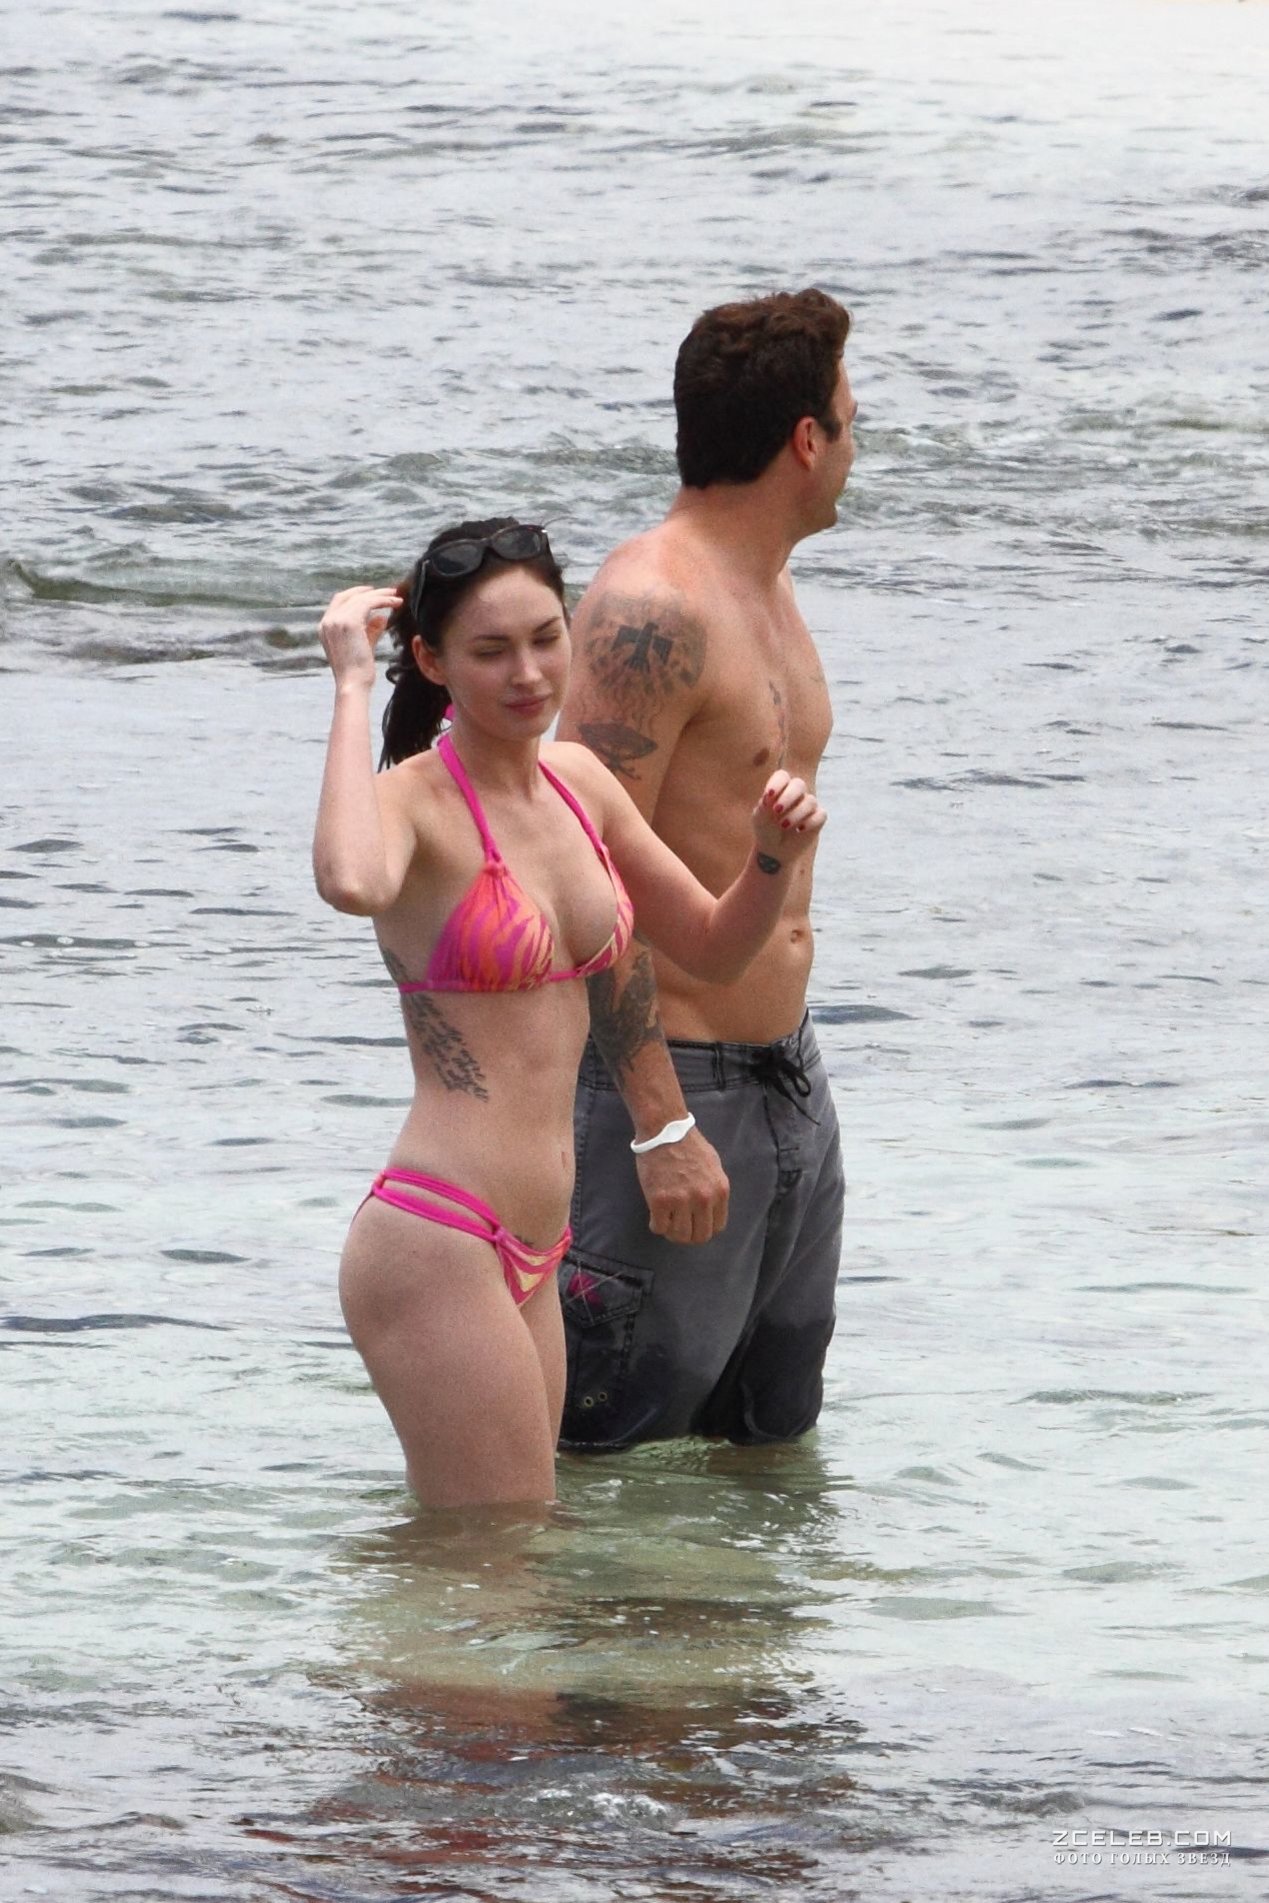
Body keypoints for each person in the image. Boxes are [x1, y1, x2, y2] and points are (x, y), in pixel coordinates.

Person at [312, 518, 826, 1509]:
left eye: (547, 638)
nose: (528, 673)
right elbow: (349, 880)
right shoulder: (414, 802)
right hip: (438, 1236)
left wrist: (771, 857)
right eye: (491, 651)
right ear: (432, 661)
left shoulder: (580, 785)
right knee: (496, 1551)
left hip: (536, 1245)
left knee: (500, 1557)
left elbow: (713, 945)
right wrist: (348, 686)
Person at [556, 287, 856, 1450]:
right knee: (616, 1461)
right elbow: (586, 878)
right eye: (850, 419)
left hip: (789, 1079)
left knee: (771, 1456)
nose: (857, 444)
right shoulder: (651, 611)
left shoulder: (767, 585)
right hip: (672, 1090)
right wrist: (657, 1123)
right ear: (805, 439)